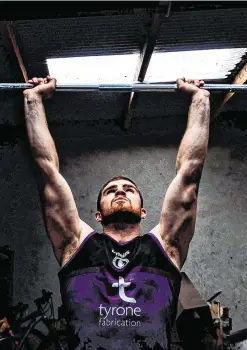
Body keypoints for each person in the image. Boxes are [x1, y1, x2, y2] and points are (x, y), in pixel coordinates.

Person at [23, 75, 210, 350]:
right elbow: (47, 172)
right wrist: (33, 99)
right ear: (98, 215)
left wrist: (200, 99)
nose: (120, 192)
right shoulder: (76, 246)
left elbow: (190, 174)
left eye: (128, 189)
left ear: (143, 211)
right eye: (111, 191)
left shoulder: (165, 248)